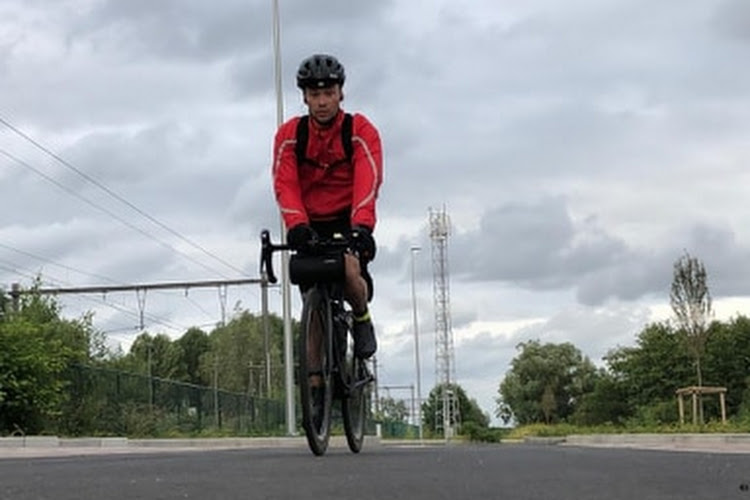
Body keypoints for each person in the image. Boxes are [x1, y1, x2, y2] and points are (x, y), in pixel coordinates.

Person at [272, 54, 383, 360]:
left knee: (349, 272)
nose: (322, 101)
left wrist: (362, 226)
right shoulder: (289, 136)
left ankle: (361, 318)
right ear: (305, 98)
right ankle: (317, 392)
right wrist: (296, 225)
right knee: (312, 317)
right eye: (315, 94)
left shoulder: (360, 130)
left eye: (328, 93)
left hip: (348, 220)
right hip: (308, 224)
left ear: (340, 93)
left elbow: (368, 179)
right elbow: (285, 183)